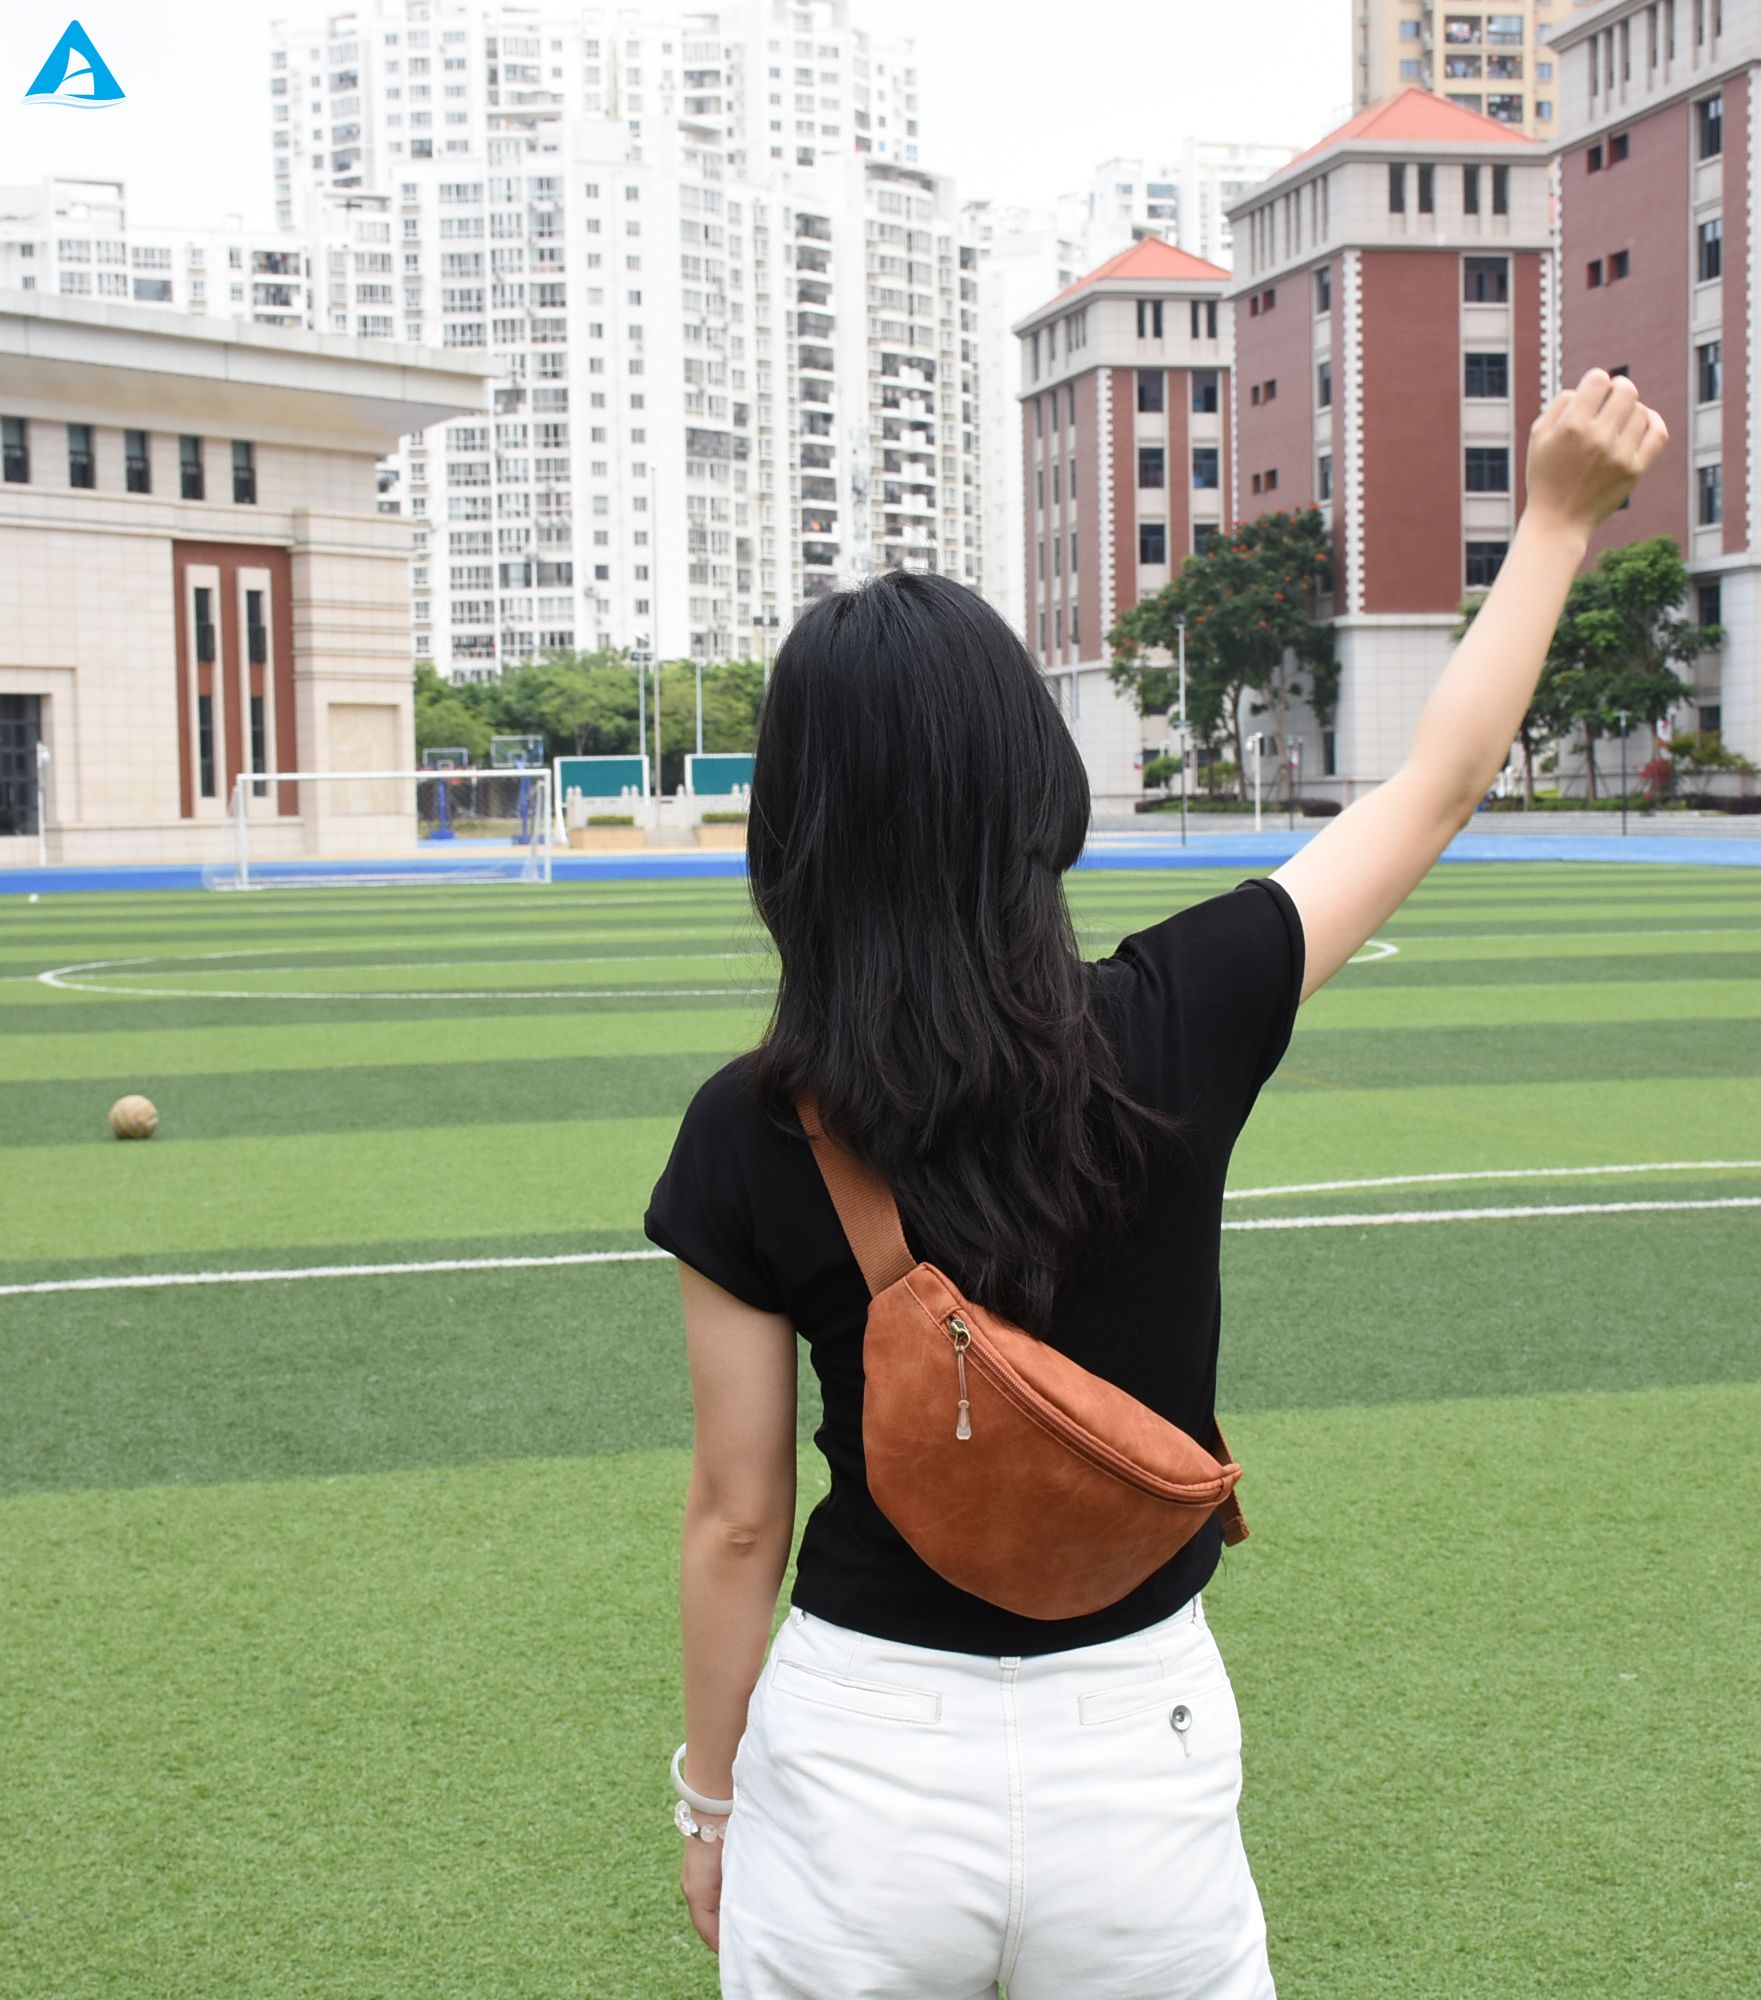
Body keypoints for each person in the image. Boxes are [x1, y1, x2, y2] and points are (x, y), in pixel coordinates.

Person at [644, 367, 1668, 1998]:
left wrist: (711, 1803)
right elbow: (1435, 784)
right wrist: (1551, 519)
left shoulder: (748, 1125)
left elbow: (737, 1517)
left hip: (857, 1761)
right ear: (1033, 782)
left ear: (796, 825)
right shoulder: (1181, 1014)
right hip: (1139, 1743)